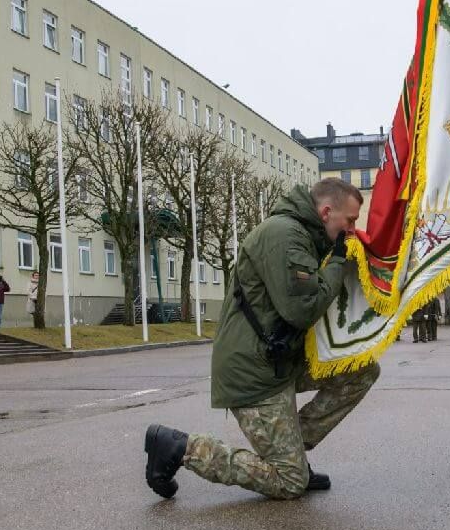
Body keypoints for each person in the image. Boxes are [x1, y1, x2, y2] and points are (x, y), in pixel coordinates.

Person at [143, 178, 378, 501]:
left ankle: (289, 451)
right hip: (255, 371)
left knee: (363, 370)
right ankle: (182, 447)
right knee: (289, 482)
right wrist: (338, 262)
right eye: (349, 221)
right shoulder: (285, 235)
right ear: (326, 212)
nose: (352, 229)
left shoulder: (305, 236)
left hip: (280, 360)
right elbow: (302, 308)